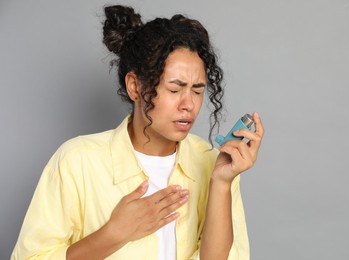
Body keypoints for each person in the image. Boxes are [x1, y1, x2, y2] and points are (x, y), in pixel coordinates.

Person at [11, 5, 264, 260]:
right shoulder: (77, 161)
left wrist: (221, 182)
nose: (189, 104)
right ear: (134, 86)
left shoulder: (212, 162)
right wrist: (114, 233)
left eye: (197, 91)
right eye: (175, 89)